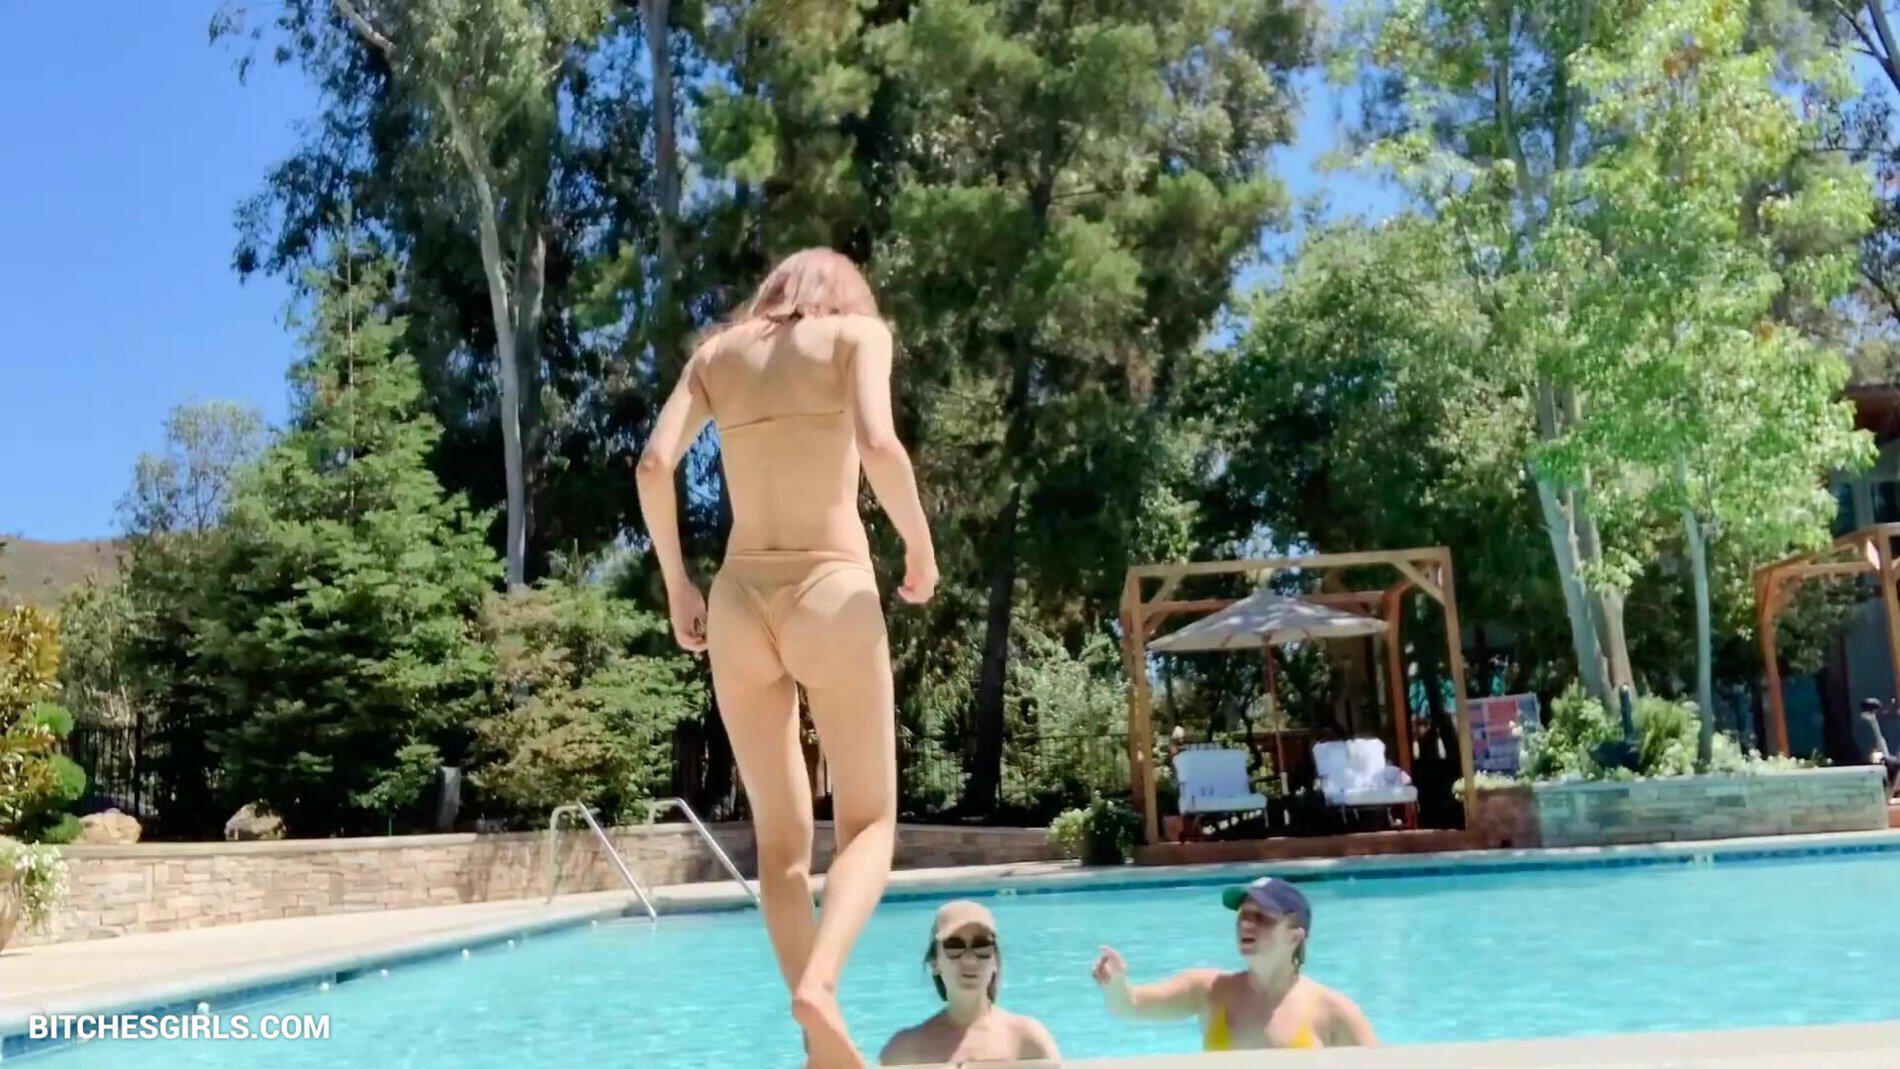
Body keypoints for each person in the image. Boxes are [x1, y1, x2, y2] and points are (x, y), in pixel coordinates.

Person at [636, 248, 938, 1069]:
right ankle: (823, 985)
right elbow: (879, 444)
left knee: (780, 844)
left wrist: (677, 583)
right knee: (869, 821)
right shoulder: (856, 336)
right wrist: (920, 546)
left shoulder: (716, 357)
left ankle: (818, 1048)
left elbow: (655, 464)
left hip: (739, 600)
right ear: (844, 294)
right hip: (830, 587)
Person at [1091, 876, 1376, 1051]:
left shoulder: (1332, 1010)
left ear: (1295, 936)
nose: (1246, 924)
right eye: (1243, 915)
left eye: (1262, 917)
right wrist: (1115, 985)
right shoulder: (1208, 990)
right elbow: (1131, 1006)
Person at [878, 901, 1061, 1066]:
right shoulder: (903, 1050)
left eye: (982, 946)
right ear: (934, 962)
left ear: (995, 962)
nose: (969, 960)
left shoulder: (1027, 1041)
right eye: (954, 946)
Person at [1859, 699, 1900, 799]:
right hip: (1874, 761)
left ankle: (1892, 792)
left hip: (1884, 759)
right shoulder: (1866, 721)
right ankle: (1891, 792)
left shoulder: (1873, 720)